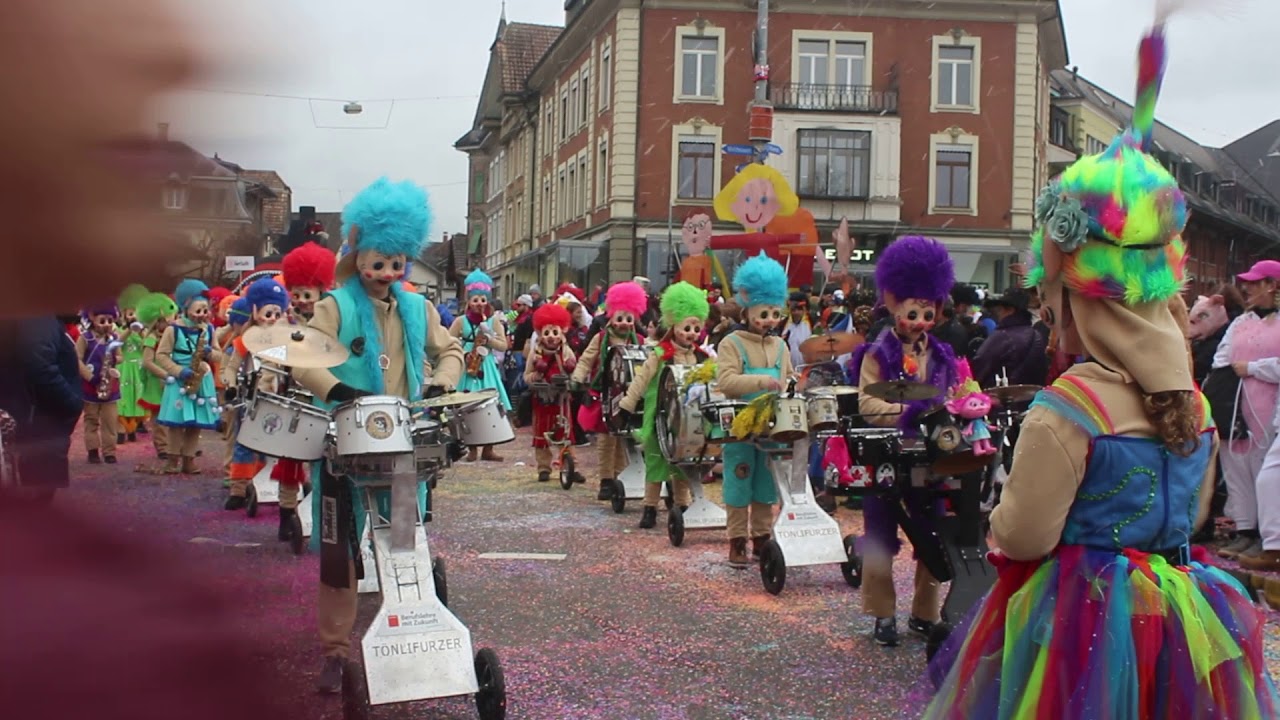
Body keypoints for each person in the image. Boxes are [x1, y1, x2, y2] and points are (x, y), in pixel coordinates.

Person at [925, 19, 1279, 716]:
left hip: (1080, 624)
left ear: (1080, 301)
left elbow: (1023, 533)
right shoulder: (1193, 403)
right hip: (1178, 617)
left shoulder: (1071, 406)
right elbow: (1193, 515)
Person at [291, 177, 463, 694]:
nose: (388, 272)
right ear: (359, 255)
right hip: (343, 448)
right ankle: (335, 650)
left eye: (396, 262)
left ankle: (409, 635)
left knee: (404, 544)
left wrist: (442, 380)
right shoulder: (335, 307)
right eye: (378, 261)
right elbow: (304, 358)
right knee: (339, 554)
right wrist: (338, 389)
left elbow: (449, 350)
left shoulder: (418, 308)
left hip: (403, 451)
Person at [847, 236, 957, 647]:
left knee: (933, 536)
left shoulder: (943, 354)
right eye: (914, 313)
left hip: (931, 458)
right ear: (894, 306)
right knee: (880, 535)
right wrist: (907, 412)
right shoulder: (876, 352)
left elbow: (953, 395)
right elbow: (867, 404)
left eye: (928, 313)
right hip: (887, 456)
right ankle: (882, 613)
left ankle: (925, 613)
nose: (921, 322)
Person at [716, 254, 792, 567]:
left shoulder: (781, 346)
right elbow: (726, 381)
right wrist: (762, 380)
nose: (770, 319)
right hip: (740, 424)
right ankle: (736, 540)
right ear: (747, 310)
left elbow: (788, 379)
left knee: (766, 483)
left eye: (775, 313)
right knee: (739, 478)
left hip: (772, 425)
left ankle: (761, 537)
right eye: (764, 313)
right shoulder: (731, 343)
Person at [618, 281, 708, 529]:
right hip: (659, 414)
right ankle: (650, 507)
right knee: (656, 461)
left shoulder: (701, 356)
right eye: (687, 328)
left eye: (696, 328)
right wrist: (626, 405)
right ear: (674, 326)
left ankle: (682, 505)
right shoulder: (659, 354)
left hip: (687, 418)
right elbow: (641, 380)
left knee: (684, 461)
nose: (691, 333)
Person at [570, 280, 648, 501]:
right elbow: (587, 359)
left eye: (629, 319)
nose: (624, 324)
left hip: (630, 395)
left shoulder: (640, 340)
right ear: (611, 317)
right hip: (605, 393)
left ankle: (620, 476)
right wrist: (577, 377)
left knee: (624, 439)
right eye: (620, 319)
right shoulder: (601, 338)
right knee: (606, 440)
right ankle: (606, 479)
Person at [220, 279, 290, 513]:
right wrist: (231, 385)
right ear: (255, 311)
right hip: (250, 398)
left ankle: (262, 485)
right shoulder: (245, 340)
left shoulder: (285, 340)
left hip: (276, 399)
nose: (272, 318)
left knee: (269, 446)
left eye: (277, 314)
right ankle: (238, 489)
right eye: (268, 313)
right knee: (244, 443)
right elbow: (231, 367)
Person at [0, 315, 84, 503]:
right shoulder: (39, 316)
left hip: (34, 424)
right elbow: (40, 368)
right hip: (39, 426)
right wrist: (72, 403)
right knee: (33, 505)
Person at [155, 279, 220, 475]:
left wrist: (210, 353)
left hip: (201, 380)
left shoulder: (209, 329)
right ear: (186, 308)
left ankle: (188, 460)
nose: (202, 315)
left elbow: (219, 355)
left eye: (205, 310)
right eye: (198, 310)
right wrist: (178, 371)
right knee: (176, 424)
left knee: (195, 424)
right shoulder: (173, 329)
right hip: (180, 380)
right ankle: (172, 459)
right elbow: (161, 355)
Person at [450, 269, 511, 462]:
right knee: (468, 407)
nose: (479, 304)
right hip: (467, 368)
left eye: (483, 300)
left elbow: (504, 345)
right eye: (475, 300)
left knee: (490, 406)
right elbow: (448, 342)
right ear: (469, 301)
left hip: (486, 367)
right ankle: (472, 447)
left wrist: (489, 340)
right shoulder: (460, 321)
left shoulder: (494, 321)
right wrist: (463, 353)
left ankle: (488, 448)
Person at [525, 303, 578, 483]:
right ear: (540, 334)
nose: (551, 337)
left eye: (555, 332)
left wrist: (570, 371)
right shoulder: (535, 353)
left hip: (561, 399)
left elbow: (575, 373)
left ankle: (569, 466)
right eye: (547, 332)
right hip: (542, 399)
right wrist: (536, 375)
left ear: (562, 333)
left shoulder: (566, 351)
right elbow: (526, 377)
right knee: (541, 434)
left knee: (566, 434)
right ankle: (543, 468)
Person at [76, 303, 124, 464]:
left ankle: (109, 452)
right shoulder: (85, 338)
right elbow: (77, 359)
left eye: (110, 321)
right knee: (91, 420)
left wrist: (114, 359)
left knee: (110, 421)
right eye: (102, 321)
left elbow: (121, 356)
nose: (107, 325)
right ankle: (93, 450)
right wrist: (90, 377)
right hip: (91, 386)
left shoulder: (114, 338)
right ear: (92, 318)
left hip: (110, 386)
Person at [971, 288, 1047, 388]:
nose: (999, 313)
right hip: (1032, 394)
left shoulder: (1001, 337)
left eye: (1001, 309)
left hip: (1002, 394)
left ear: (1011, 310)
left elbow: (979, 367)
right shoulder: (1036, 335)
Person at [115, 284, 150, 443]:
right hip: (124, 368)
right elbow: (118, 342)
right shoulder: (118, 329)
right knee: (124, 398)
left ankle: (133, 428)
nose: (133, 316)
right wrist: (129, 329)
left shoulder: (145, 331)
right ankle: (121, 430)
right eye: (130, 313)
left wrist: (141, 331)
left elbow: (147, 344)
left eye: (136, 313)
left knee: (138, 397)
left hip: (138, 368)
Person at [280, 240, 336, 325]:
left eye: (307, 295)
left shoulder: (331, 316)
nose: (302, 300)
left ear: (321, 290)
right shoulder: (287, 317)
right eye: (296, 295)